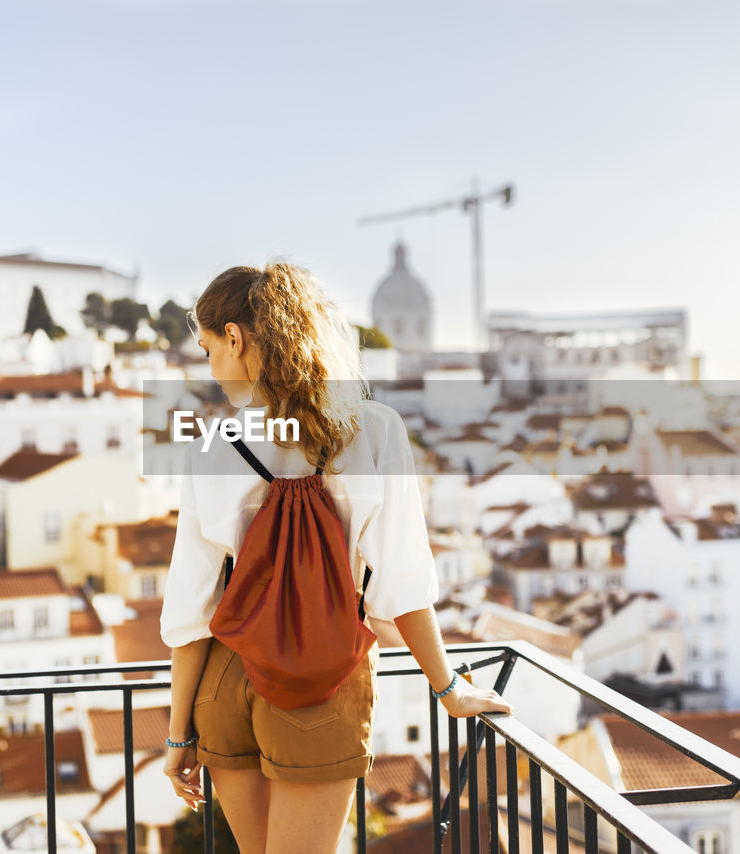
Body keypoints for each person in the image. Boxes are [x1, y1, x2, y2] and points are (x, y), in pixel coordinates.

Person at [159, 261, 515, 854]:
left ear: (237, 338)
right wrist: (448, 687)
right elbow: (402, 580)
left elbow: (192, 605)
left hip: (225, 676)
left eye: (208, 350)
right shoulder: (372, 429)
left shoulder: (208, 448)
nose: (211, 367)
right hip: (319, 676)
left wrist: (177, 737)